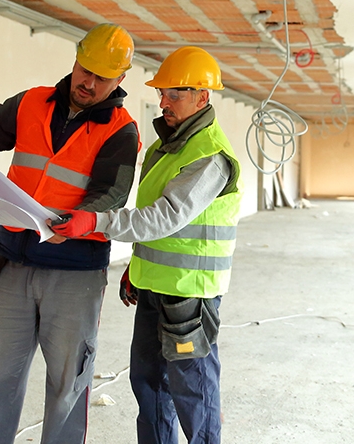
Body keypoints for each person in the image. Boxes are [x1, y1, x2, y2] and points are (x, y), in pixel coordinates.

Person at [0, 23, 141, 444]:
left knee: (68, 384)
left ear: (120, 79)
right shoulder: (31, 102)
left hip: (74, 274)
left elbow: (111, 194)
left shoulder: (121, 129)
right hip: (13, 263)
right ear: (76, 60)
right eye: (85, 69)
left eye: (102, 77)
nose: (88, 82)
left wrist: (80, 220)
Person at [50, 46, 241, 444]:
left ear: (202, 97)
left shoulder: (210, 156)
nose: (164, 101)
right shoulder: (164, 146)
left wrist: (96, 222)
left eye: (175, 94)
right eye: (162, 93)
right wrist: (137, 270)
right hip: (155, 287)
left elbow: (164, 217)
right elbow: (154, 221)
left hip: (190, 295)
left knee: (194, 393)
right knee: (148, 384)